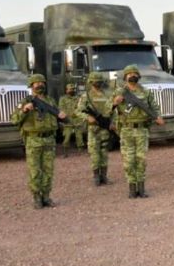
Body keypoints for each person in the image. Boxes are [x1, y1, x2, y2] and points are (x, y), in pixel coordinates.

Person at [11, 74, 67, 209]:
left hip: (49, 139)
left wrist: (62, 116)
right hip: (33, 140)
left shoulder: (51, 101)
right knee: (35, 171)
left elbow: (57, 115)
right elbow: (14, 120)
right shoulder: (25, 101)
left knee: (48, 170)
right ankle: (37, 197)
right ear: (31, 85)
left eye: (42, 82)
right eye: (36, 83)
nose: (39, 85)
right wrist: (24, 110)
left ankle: (46, 196)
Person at [111, 64, 165, 198]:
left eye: (135, 74)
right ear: (125, 77)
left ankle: (141, 189)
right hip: (126, 130)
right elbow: (107, 109)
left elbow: (154, 107)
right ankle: (131, 189)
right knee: (129, 161)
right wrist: (115, 102)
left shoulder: (145, 92)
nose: (132, 76)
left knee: (141, 160)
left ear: (139, 76)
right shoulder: (120, 92)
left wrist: (158, 117)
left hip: (142, 130)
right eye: (130, 74)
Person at [77, 72, 114, 186]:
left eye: (99, 81)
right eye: (95, 81)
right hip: (93, 129)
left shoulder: (107, 95)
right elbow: (78, 111)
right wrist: (87, 117)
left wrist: (113, 123)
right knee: (94, 153)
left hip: (105, 128)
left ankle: (104, 176)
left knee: (104, 152)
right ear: (91, 82)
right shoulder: (86, 96)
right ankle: (96, 176)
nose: (97, 83)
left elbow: (113, 111)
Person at [59, 83, 85, 156]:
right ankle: (65, 153)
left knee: (79, 137)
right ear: (66, 90)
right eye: (70, 89)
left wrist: (77, 113)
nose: (72, 90)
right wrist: (69, 114)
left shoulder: (78, 98)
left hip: (77, 120)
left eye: (73, 89)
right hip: (67, 121)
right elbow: (61, 108)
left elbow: (81, 107)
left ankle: (80, 152)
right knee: (67, 137)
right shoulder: (63, 99)